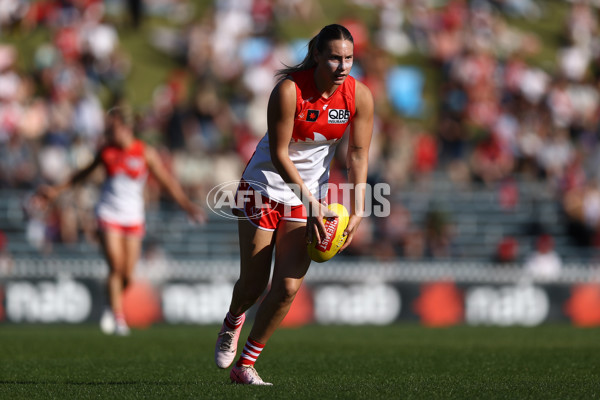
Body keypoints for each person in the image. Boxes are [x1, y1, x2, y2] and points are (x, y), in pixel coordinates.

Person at [214, 24, 374, 385]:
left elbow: (359, 154)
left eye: (348, 58)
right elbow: (281, 154)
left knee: (287, 287)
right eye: (334, 57)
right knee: (253, 284)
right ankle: (233, 320)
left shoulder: (359, 96)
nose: (342, 65)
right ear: (317, 54)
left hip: (308, 196)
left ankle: (246, 365)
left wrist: (359, 206)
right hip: (266, 185)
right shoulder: (289, 91)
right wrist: (314, 204)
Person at [38, 106, 204, 336]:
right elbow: (82, 174)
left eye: (112, 128)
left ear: (126, 128)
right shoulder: (106, 151)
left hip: (133, 216)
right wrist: (56, 191)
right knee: (115, 266)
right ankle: (118, 317)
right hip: (108, 213)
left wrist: (186, 205)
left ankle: (110, 302)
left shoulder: (144, 152)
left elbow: (166, 182)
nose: (108, 132)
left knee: (127, 274)